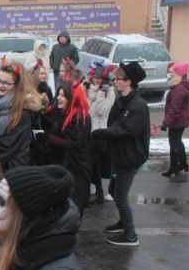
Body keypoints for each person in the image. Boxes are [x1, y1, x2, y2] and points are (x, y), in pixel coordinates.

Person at [92, 62, 149, 246]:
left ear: (129, 81)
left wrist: (98, 133)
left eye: (119, 79)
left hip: (130, 157)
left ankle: (131, 235)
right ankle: (122, 223)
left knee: (121, 195)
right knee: (113, 191)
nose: (115, 81)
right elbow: (113, 123)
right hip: (119, 154)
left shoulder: (138, 105)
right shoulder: (122, 100)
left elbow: (126, 130)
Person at [35, 81, 92, 216]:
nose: (58, 98)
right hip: (70, 166)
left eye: (63, 96)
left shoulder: (80, 118)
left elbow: (71, 144)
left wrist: (48, 138)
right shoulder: (68, 114)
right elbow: (59, 128)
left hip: (77, 169)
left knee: (74, 206)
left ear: (72, 99)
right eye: (58, 94)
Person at [0, 62, 42, 171]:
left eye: (6, 83)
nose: (0, 85)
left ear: (16, 85)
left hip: (12, 169)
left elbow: (8, 148)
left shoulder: (23, 114)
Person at [84, 64, 116, 204]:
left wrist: (101, 94)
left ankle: (86, 192)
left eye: (100, 78)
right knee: (94, 164)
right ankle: (99, 192)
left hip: (99, 132)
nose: (97, 81)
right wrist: (84, 85)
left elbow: (101, 111)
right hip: (87, 130)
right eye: (95, 77)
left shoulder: (109, 92)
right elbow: (82, 105)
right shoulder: (87, 89)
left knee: (89, 163)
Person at [161, 61, 189, 176]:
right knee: (178, 141)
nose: (169, 74)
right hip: (181, 119)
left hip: (177, 121)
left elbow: (174, 109)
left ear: (178, 74)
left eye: (172, 72)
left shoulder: (179, 89)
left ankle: (174, 167)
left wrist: (166, 123)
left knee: (174, 144)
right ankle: (183, 164)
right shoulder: (182, 86)